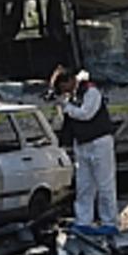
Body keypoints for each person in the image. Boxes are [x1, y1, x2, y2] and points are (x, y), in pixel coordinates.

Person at [51, 66, 118, 236]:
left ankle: (109, 222)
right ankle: (83, 221)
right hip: (82, 144)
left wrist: (66, 106)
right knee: (84, 186)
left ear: (70, 80)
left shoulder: (91, 92)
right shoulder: (72, 97)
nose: (63, 92)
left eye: (62, 87)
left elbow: (86, 114)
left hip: (99, 142)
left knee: (105, 184)